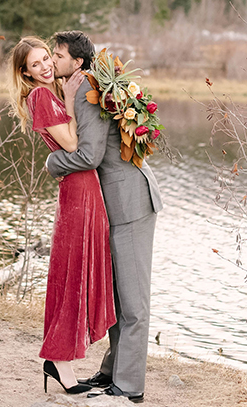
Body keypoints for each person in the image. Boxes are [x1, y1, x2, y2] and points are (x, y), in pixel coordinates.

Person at [47, 30, 163, 404]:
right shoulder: (84, 87)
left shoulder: (86, 90)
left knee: (132, 303)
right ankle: (112, 372)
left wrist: (52, 163)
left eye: (58, 56)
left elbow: (90, 155)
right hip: (113, 205)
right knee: (117, 297)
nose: (52, 61)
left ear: (77, 62)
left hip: (130, 203)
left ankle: (129, 387)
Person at [10, 36, 116, 396]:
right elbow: (72, 144)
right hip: (77, 191)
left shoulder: (50, 92)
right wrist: (71, 100)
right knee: (71, 273)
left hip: (85, 188)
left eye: (47, 59)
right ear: (25, 71)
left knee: (78, 270)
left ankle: (62, 360)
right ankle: (59, 361)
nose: (45, 66)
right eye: (36, 64)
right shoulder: (40, 96)